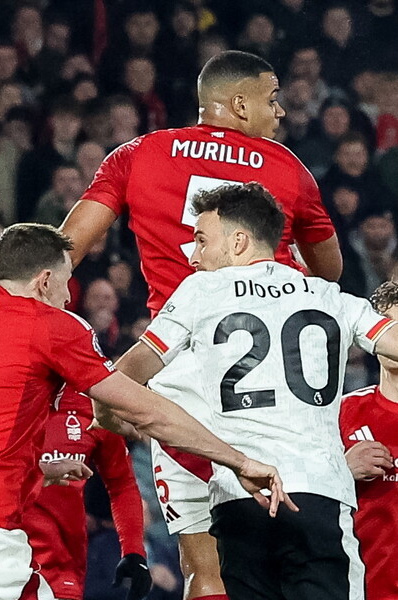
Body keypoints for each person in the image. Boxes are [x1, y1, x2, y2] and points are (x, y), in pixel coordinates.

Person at [0, 222, 291, 600]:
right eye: (67, 282)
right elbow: (146, 413)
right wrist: (237, 460)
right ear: (45, 281)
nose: (69, 296)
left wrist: (37, 469)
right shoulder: (48, 324)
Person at [59, 50, 342, 600]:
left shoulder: (138, 154)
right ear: (240, 103)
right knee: (300, 548)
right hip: (278, 373)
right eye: (273, 98)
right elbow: (329, 270)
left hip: (181, 368)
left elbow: (66, 251)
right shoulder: (287, 168)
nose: (280, 112)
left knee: (204, 566)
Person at [112, 182, 398, 600]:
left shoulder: (198, 292)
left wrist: (104, 409)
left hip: (238, 497)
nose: (193, 256)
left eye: (201, 240)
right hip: (317, 494)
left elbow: (129, 373)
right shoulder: (327, 294)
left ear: (239, 241)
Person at [21, 386, 151, 600]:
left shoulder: (93, 406)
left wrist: (133, 549)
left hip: (61, 565)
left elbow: (122, 484)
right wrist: (41, 472)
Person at [339, 280, 398, 600]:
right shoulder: (342, 412)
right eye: (390, 326)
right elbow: (297, 495)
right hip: (362, 589)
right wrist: (341, 469)